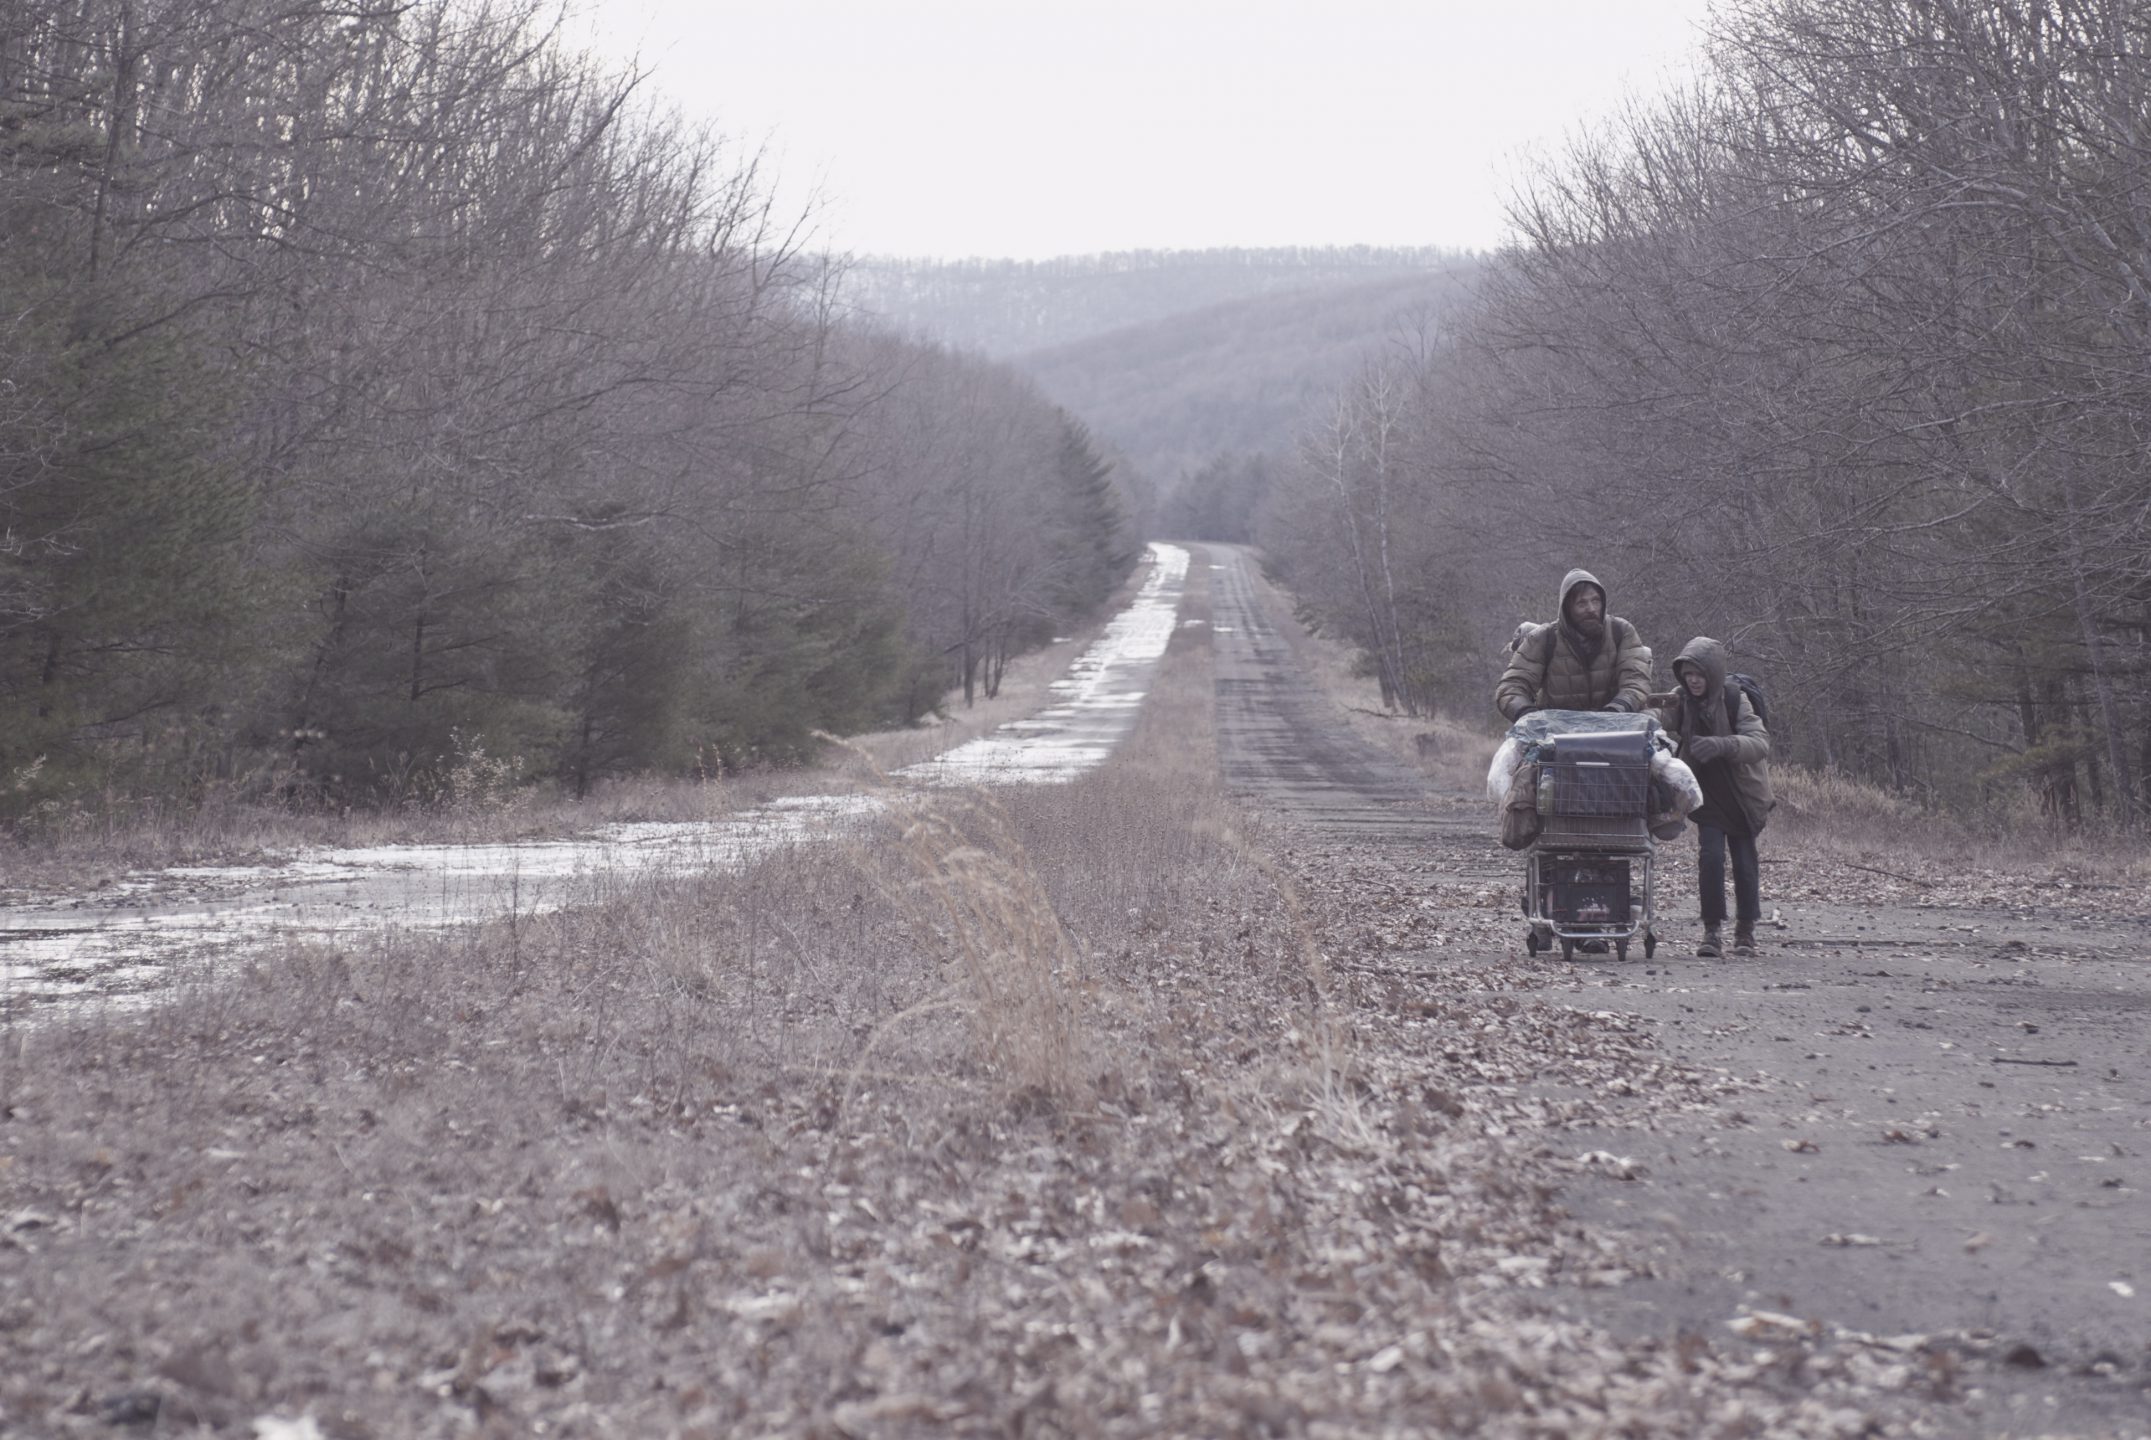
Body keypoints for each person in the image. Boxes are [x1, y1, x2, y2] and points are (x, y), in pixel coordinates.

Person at [1661, 636, 1772, 958]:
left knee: (1744, 862)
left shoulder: (1736, 699)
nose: (1693, 680)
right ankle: (1711, 932)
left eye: (1699, 674)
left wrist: (1723, 745)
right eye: (1688, 674)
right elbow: (1657, 719)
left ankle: (1746, 932)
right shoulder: (1680, 699)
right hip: (1707, 796)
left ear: (1713, 673)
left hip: (1741, 795)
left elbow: (1759, 742)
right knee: (1710, 858)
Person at [1494, 569, 1653, 721]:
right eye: (1581, 603)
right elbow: (1511, 687)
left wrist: (1617, 709)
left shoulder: (1621, 631)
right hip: (1556, 738)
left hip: (1617, 732)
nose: (1591, 609)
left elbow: (1636, 680)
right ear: (1567, 609)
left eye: (1595, 601)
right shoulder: (1544, 638)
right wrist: (1529, 715)